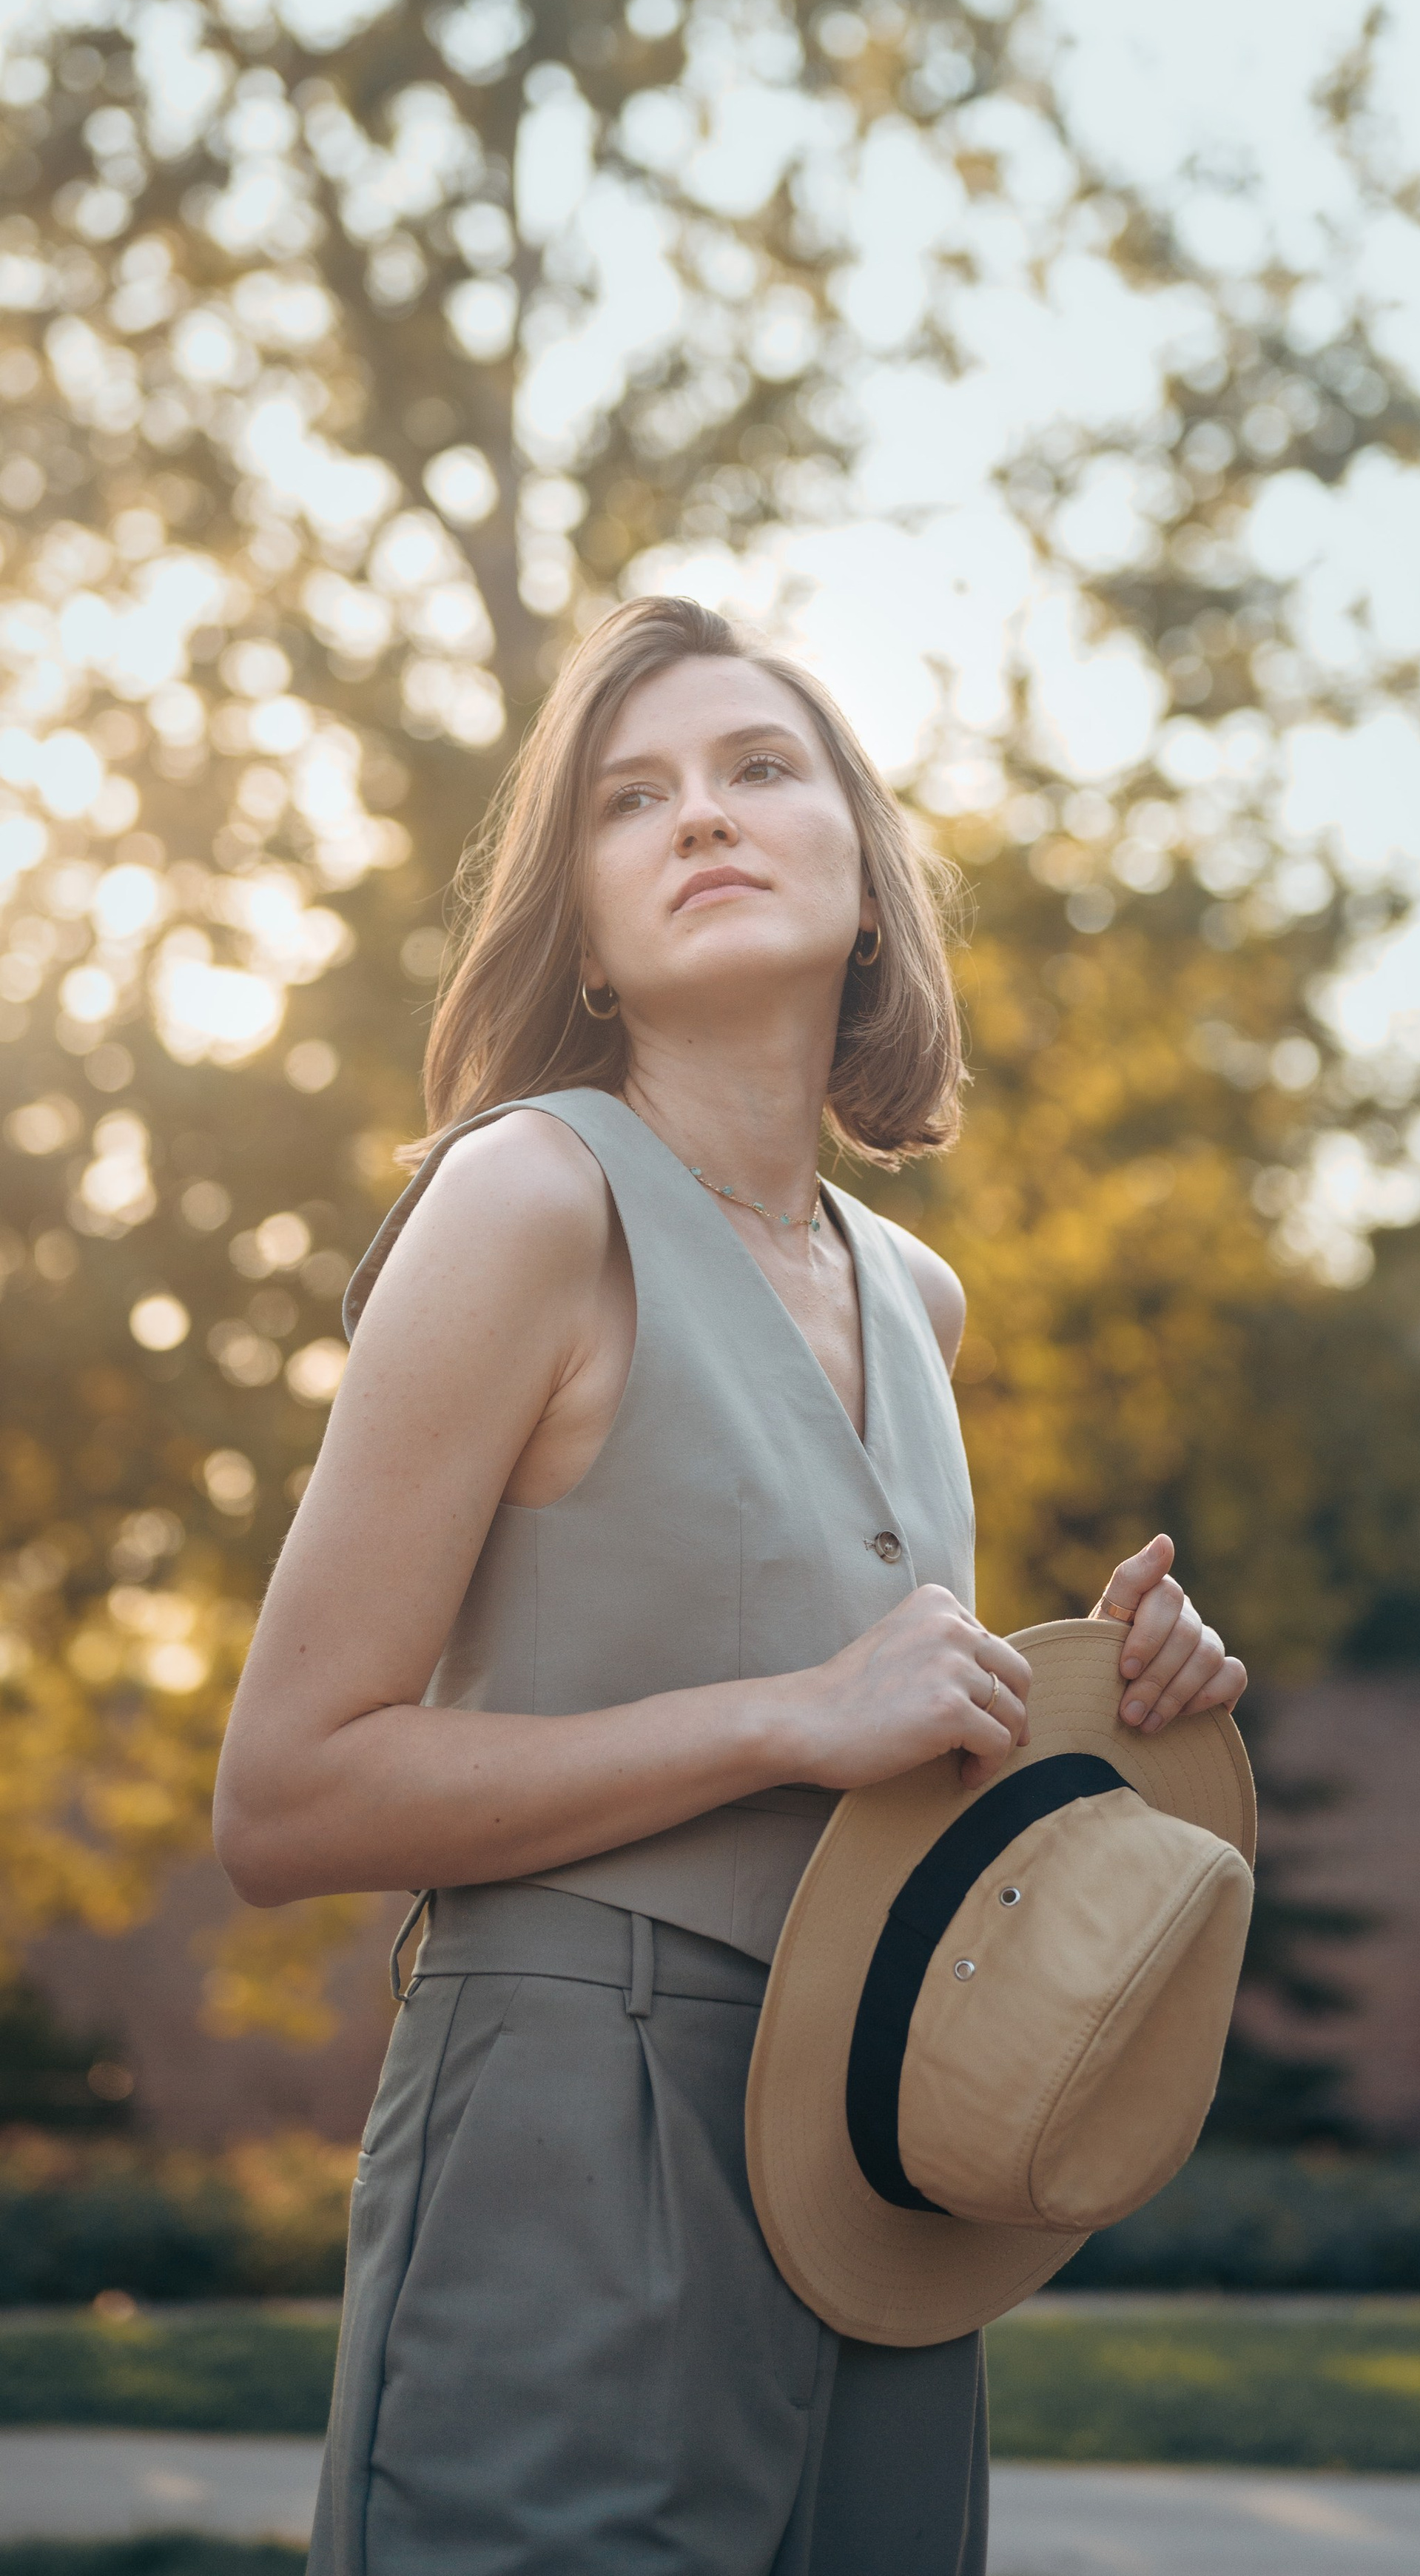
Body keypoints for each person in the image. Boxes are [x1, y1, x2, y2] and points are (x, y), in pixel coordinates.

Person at [213, 593, 1247, 2576]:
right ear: (582, 929)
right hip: (569, 2139)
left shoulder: (916, 1297)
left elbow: (893, 1748)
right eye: (633, 798)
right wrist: (787, 1718)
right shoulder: (528, 1199)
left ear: (863, 872)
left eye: (759, 769)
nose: (702, 816)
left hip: (891, 2154)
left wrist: (1112, 1711)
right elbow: (287, 1796)